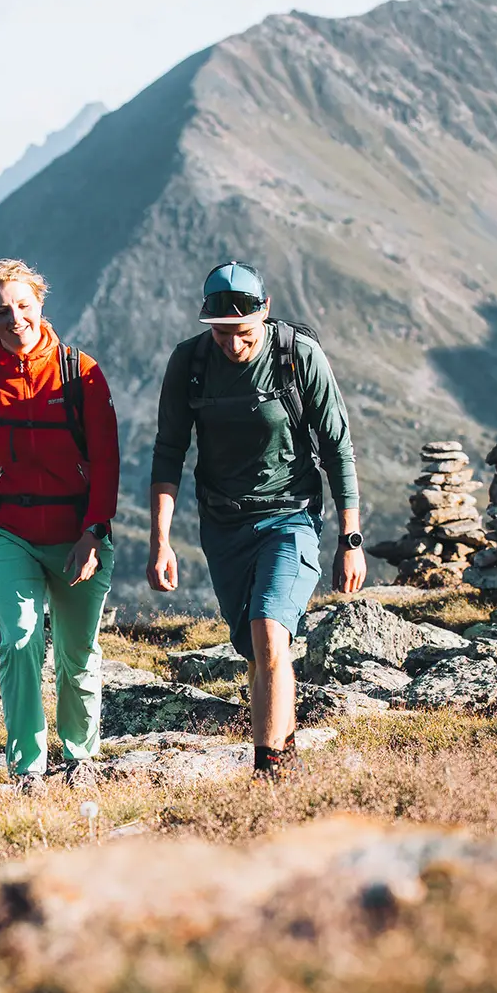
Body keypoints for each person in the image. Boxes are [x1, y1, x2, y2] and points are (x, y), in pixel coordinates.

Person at [147, 261, 365, 780]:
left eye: (242, 333)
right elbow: (168, 451)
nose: (232, 345)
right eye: (221, 334)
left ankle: (272, 772)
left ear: (265, 312)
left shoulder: (297, 356)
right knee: (254, 645)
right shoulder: (190, 362)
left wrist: (350, 538)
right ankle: (279, 749)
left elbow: (337, 447)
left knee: (270, 632)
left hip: (290, 516)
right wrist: (161, 540)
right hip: (224, 527)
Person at [0, 258, 120, 795]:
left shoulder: (80, 372)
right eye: (1, 311)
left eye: (23, 306)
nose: (14, 318)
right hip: (6, 531)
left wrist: (95, 530)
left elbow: (108, 459)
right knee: (20, 639)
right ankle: (27, 768)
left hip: (78, 533)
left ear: (41, 305)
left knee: (77, 651)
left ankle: (81, 756)